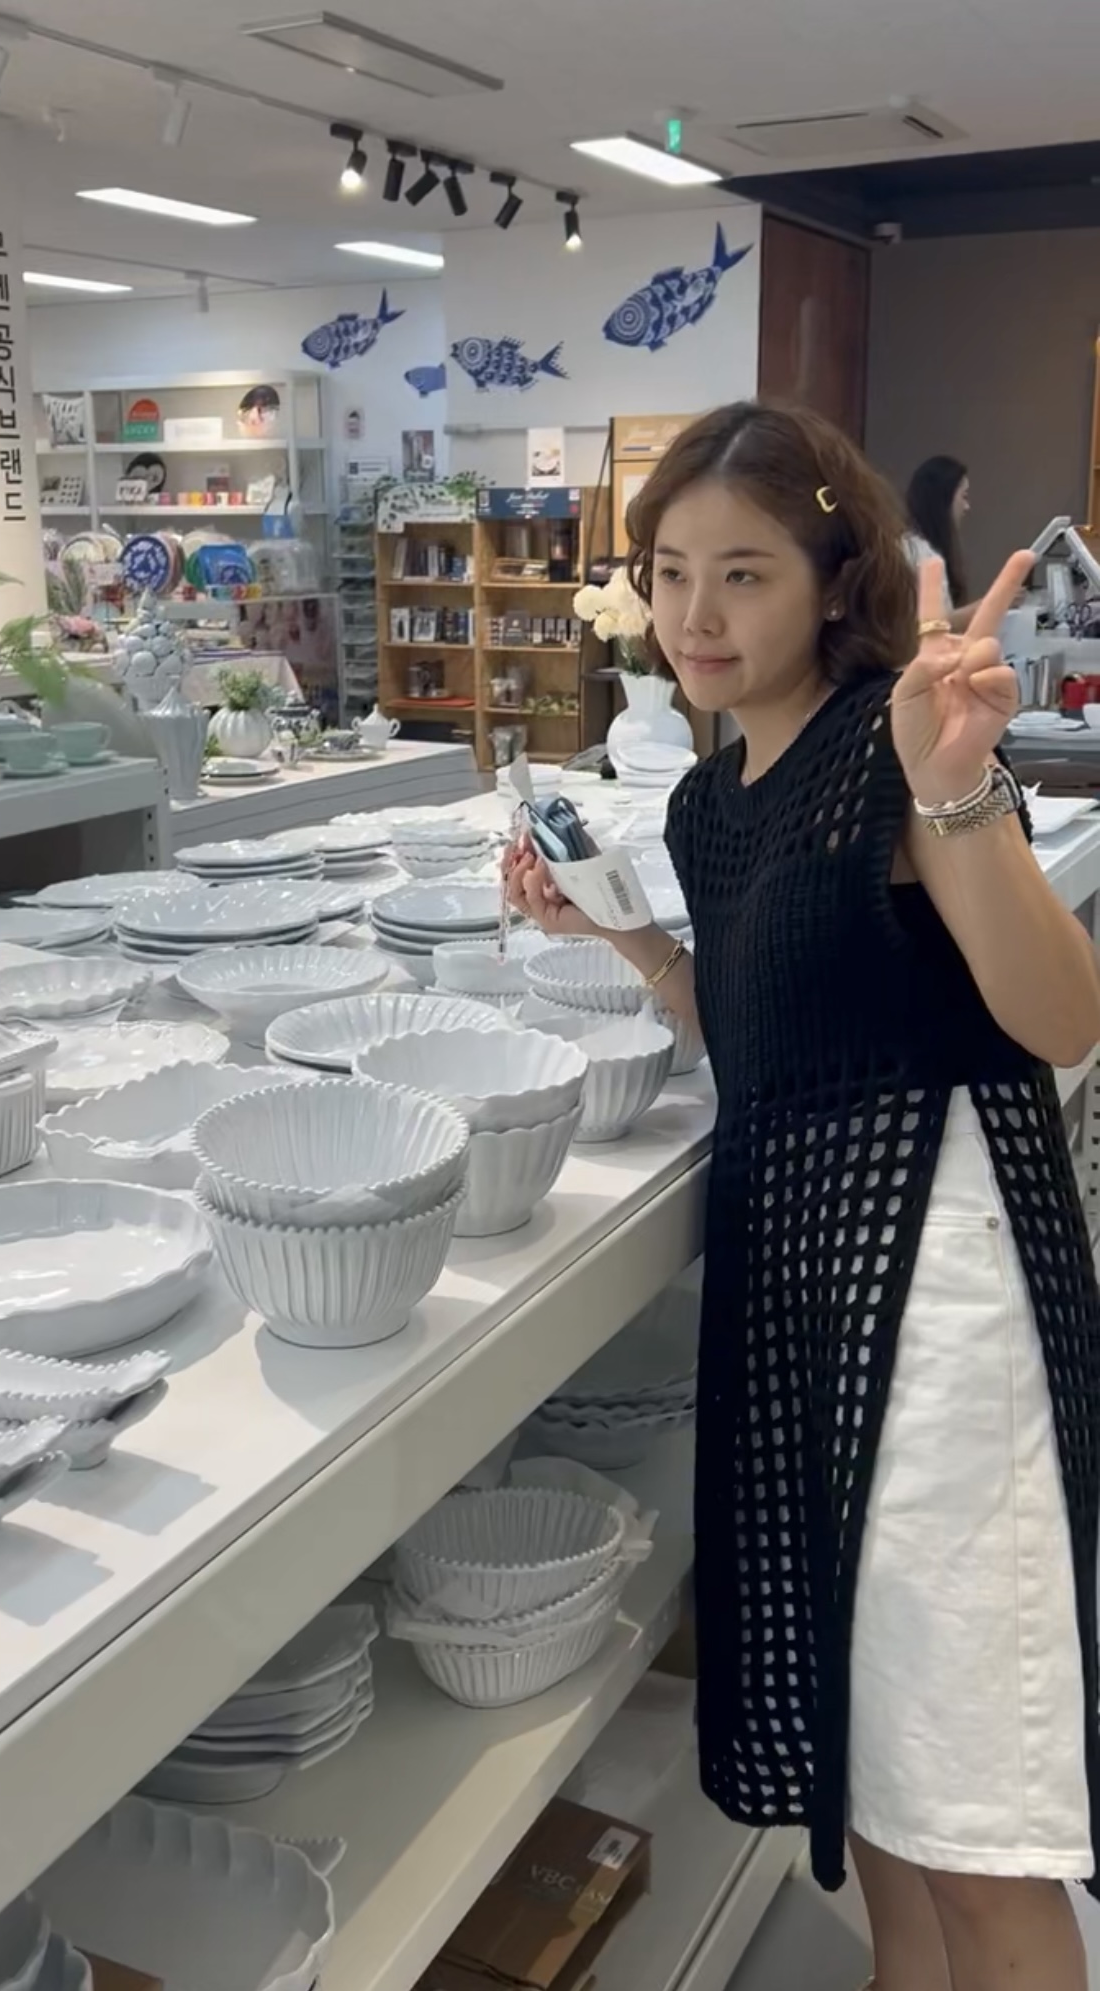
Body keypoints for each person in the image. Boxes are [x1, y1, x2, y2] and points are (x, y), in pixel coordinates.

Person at [506, 402, 1100, 1991]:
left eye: (742, 573)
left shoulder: (889, 743)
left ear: (833, 579)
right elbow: (755, 1029)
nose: (693, 615)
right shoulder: (708, 804)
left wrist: (955, 790)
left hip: (939, 1304)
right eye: (667, 572)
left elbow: (1060, 1017)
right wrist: (620, 933)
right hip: (808, 1305)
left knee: (972, 1828)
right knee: (880, 1775)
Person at [903, 454, 976, 631]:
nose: (967, 507)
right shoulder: (920, 554)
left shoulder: (914, 547)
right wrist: (993, 602)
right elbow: (935, 625)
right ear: (944, 499)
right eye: (964, 496)